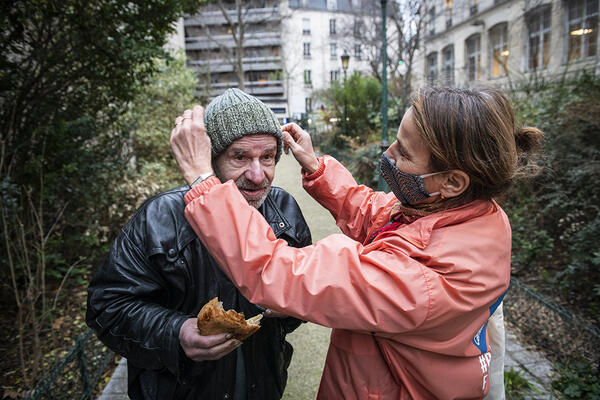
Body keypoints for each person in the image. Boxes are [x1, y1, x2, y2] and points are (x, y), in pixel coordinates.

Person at [170, 86, 543, 399]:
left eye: (403, 152)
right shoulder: (467, 214)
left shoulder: (424, 280)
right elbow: (378, 215)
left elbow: (277, 271)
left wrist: (203, 180)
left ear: (451, 181)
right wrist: (316, 167)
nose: (388, 155)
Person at [86, 88, 312, 400]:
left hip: (266, 384)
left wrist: (288, 308)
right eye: (240, 157)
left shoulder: (284, 210)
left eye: (268, 157)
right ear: (210, 159)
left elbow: (304, 302)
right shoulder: (159, 217)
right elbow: (106, 305)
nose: (258, 175)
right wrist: (175, 333)